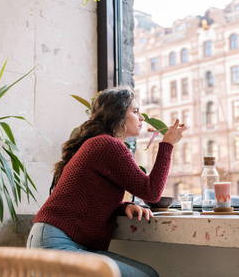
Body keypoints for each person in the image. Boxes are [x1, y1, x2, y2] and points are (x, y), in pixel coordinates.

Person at [27, 86, 187, 277]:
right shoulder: (108, 144)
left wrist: (123, 207)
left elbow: (90, 196)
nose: (142, 117)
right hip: (55, 244)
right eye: (135, 112)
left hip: (56, 241)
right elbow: (151, 192)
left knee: (148, 273)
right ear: (118, 116)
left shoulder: (101, 144)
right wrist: (167, 145)